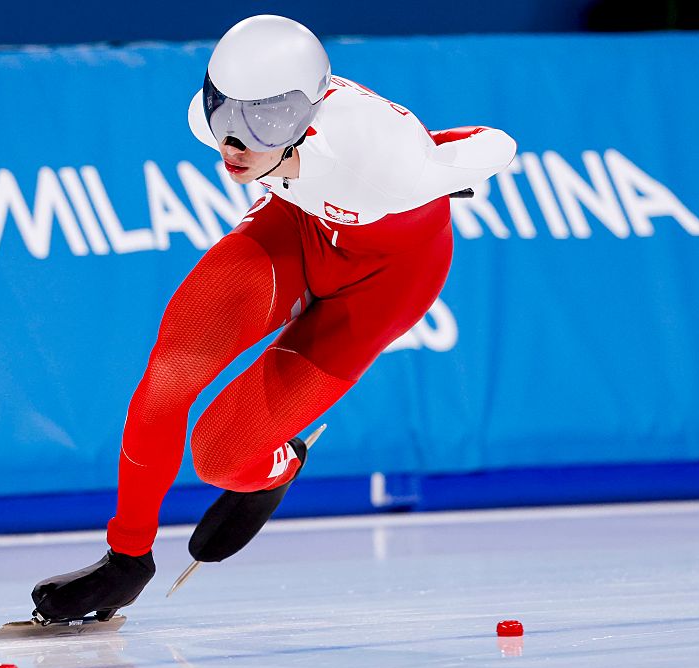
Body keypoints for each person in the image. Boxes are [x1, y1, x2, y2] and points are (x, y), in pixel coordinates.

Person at [30, 15, 517, 623]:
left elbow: (493, 143)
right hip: (297, 232)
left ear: (305, 118)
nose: (234, 143)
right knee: (167, 379)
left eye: (261, 121)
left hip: (384, 282)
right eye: (222, 114)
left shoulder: (382, 161)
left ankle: (276, 467)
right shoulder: (229, 129)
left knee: (219, 456)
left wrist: (441, 173)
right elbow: (244, 131)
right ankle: (126, 561)